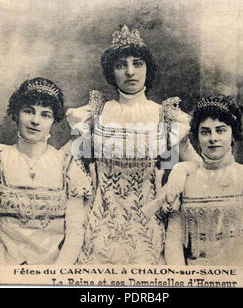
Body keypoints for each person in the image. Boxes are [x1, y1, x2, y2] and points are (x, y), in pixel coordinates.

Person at [67, 25, 201, 265]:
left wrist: (180, 171)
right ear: (112, 71)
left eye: (137, 63)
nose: (130, 72)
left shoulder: (166, 116)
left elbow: (197, 165)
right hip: (97, 230)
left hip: (149, 231)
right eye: (121, 65)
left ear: (147, 68)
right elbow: (72, 162)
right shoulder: (95, 113)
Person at [0, 78, 92, 283]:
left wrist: (57, 275)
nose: (35, 121)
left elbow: (75, 231)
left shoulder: (67, 165)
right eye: (29, 111)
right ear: (16, 114)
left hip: (52, 273)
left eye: (45, 115)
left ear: (53, 121)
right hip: (1, 270)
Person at [164, 95, 243, 266]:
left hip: (240, 278)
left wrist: (231, 278)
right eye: (205, 132)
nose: (213, 138)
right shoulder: (184, 183)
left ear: (233, 135)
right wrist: (181, 279)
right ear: (197, 137)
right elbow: (173, 240)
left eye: (221, 130)